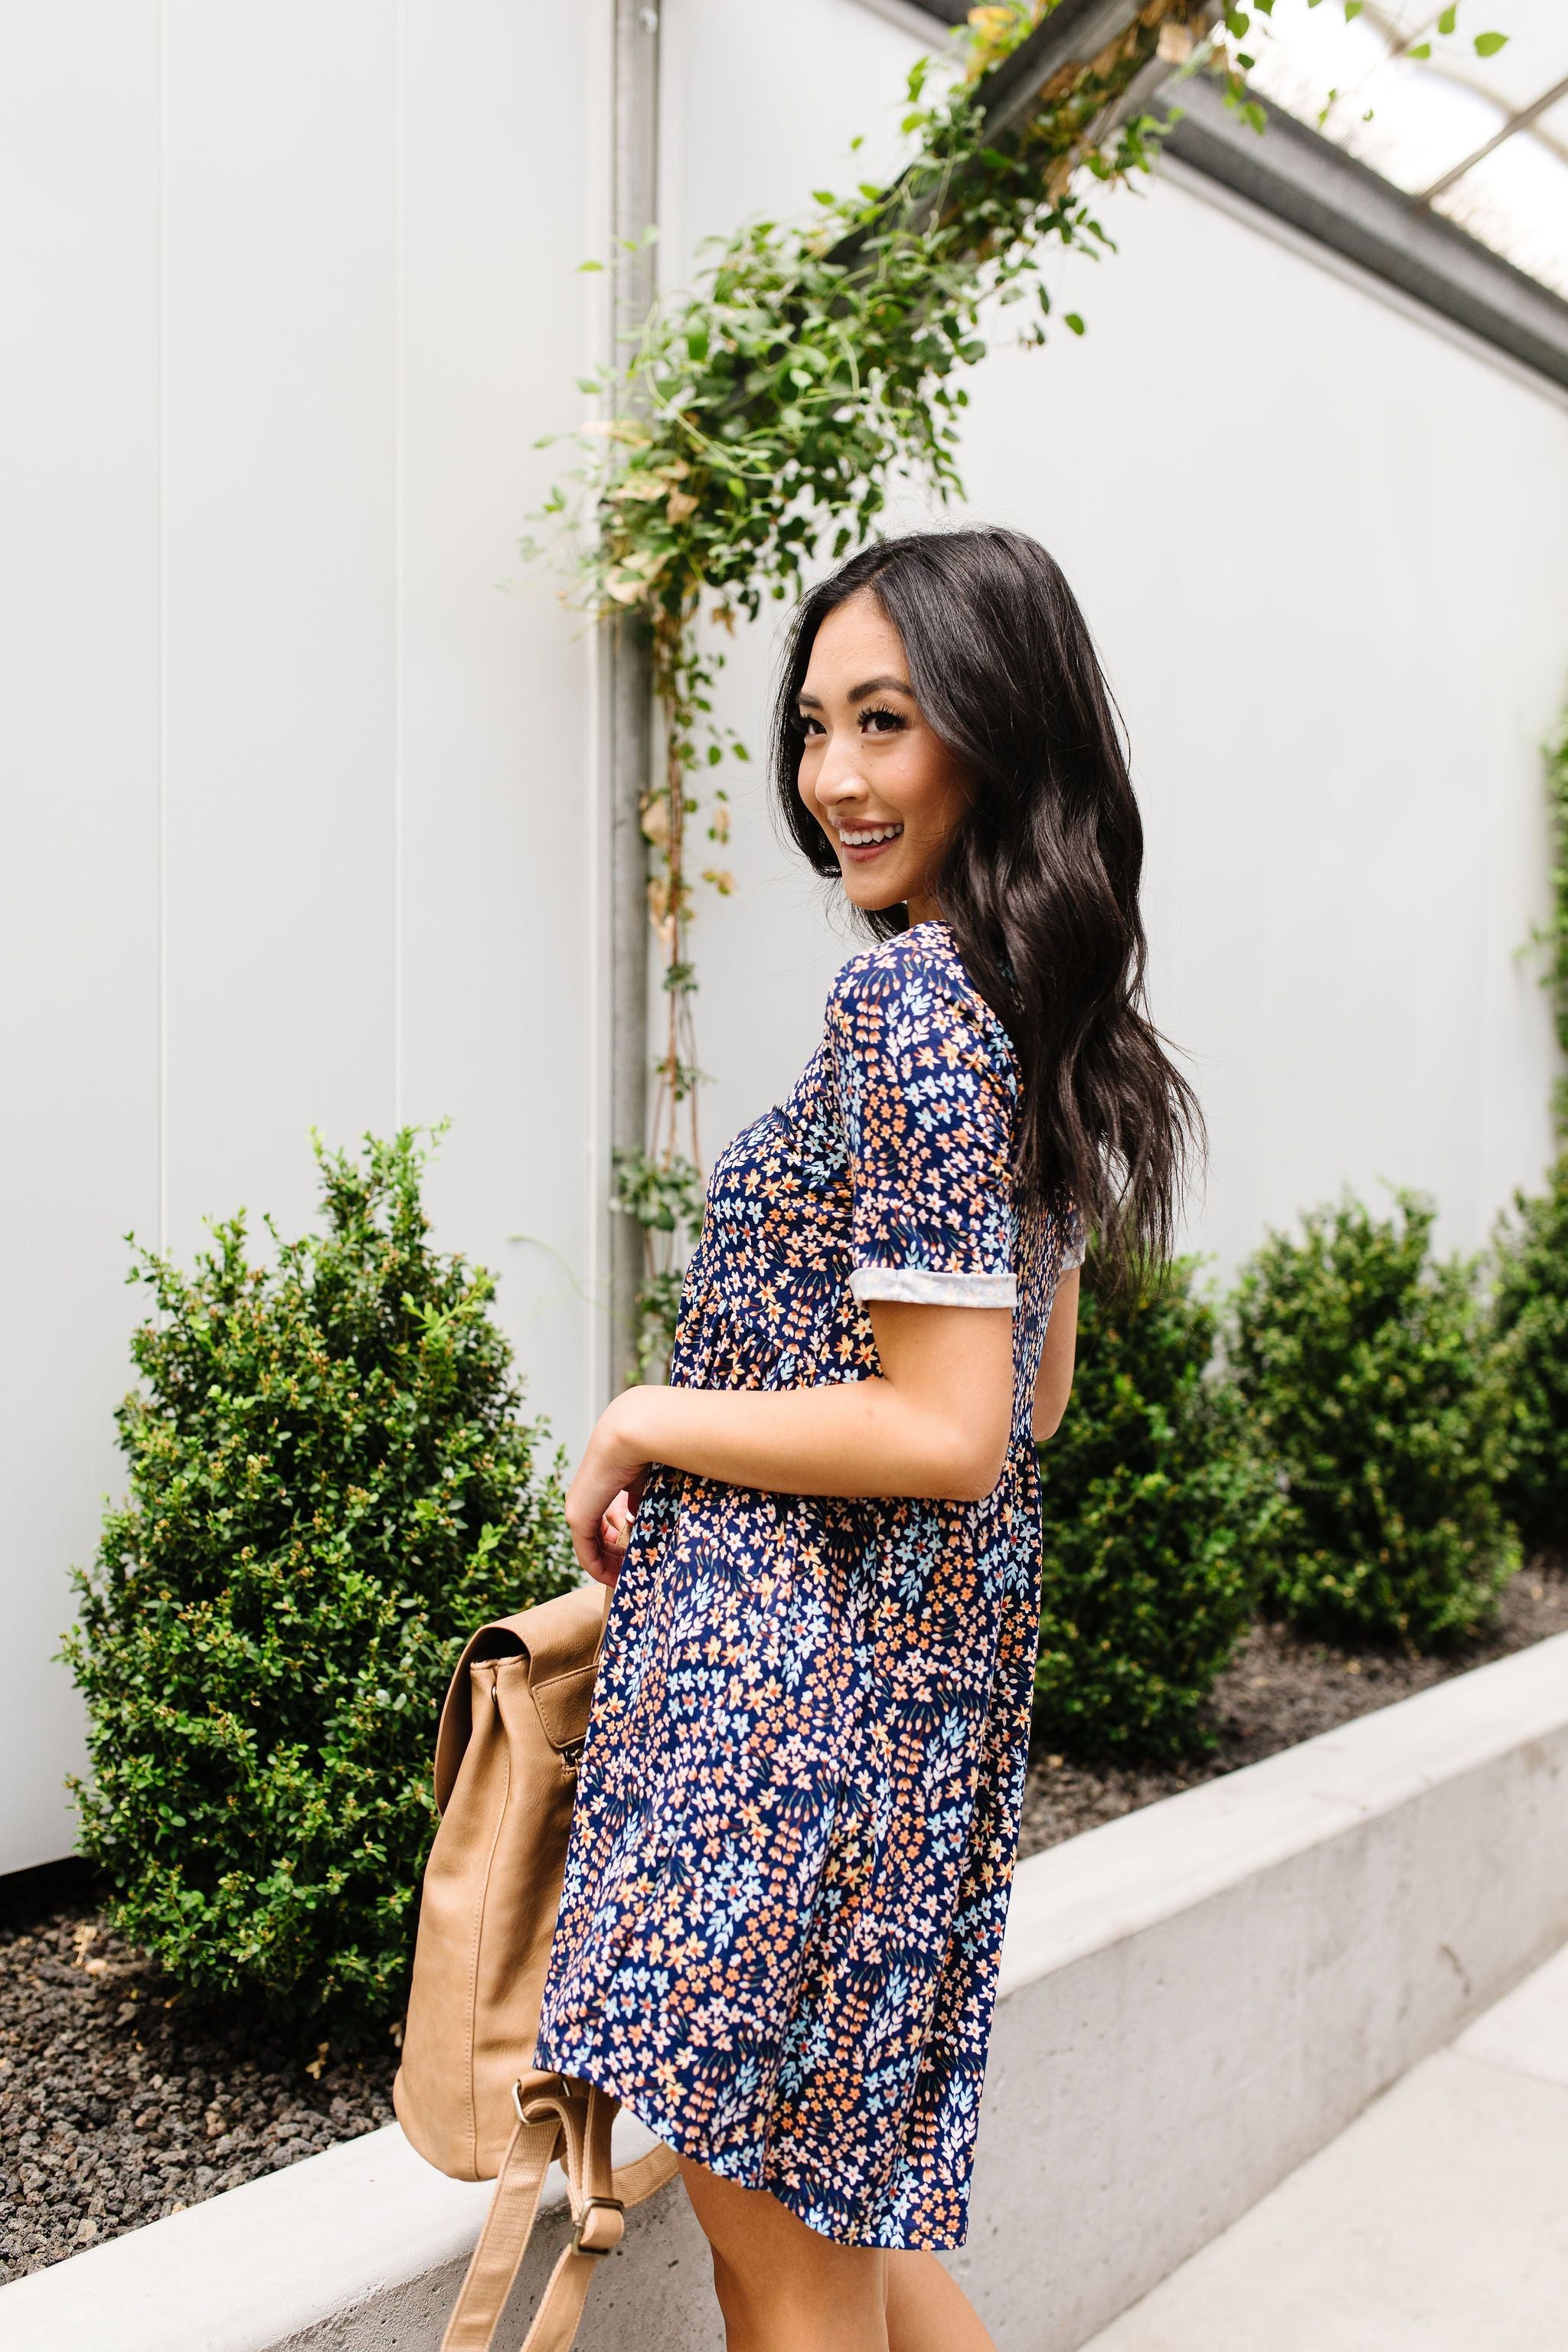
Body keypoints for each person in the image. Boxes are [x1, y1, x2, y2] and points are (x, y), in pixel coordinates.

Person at [534, 528, 1198, 2351]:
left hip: (786, 1731)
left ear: (997, 733)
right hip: (905, 1720)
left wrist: (644, 1418)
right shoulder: (1025, 1002)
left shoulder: (910, 1005)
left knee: (792, 2283)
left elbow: (952, 1426)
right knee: (859, 2255)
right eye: (816, 725)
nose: (832, 777)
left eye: (885, 723)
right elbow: (1034, 1398)